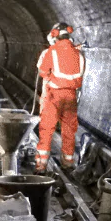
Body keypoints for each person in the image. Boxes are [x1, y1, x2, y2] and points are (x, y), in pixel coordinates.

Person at [35, 22, 85, 173]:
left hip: (54, 95)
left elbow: (43, 72)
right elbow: (79, 78)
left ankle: (42, 164)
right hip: (71, 96)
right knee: (69, 130)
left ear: (55, 35)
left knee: (47, 128)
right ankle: (68, 162)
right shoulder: (79, 54)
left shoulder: (53, 51)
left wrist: (51, 78)